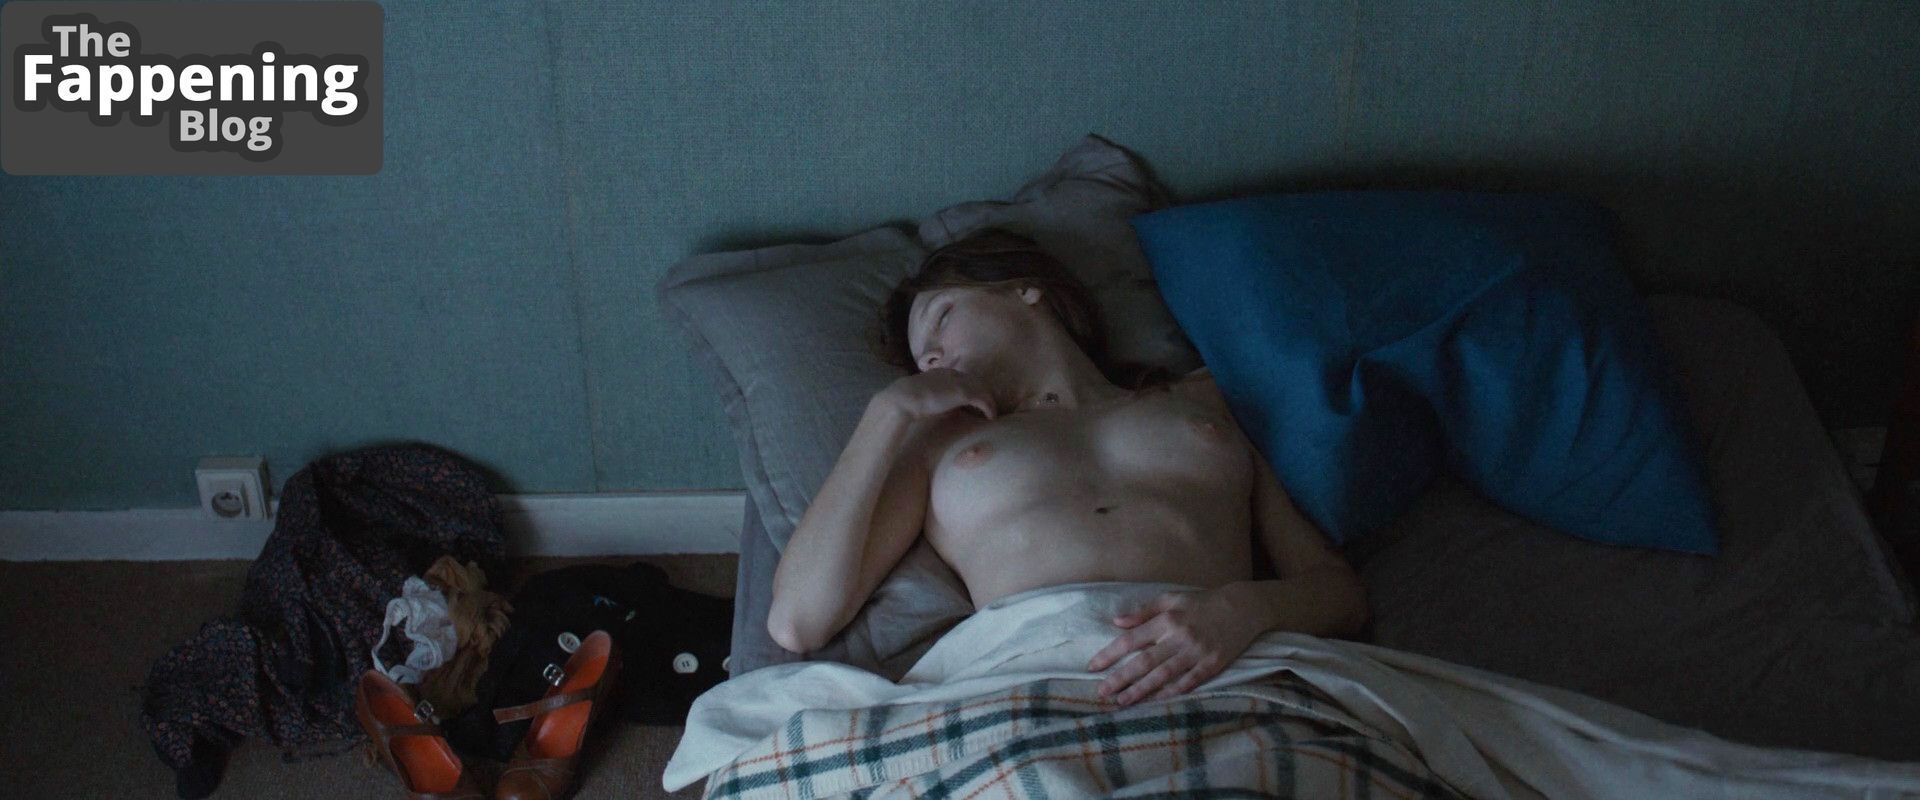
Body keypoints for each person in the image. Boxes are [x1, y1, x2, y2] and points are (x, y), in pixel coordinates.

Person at [767, 228, 1369, 706]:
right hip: (1030, 681)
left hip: (1212, 668)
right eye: (922, 357)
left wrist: (1242, 610)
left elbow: (1339, 594)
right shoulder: (941, 445)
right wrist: (886, 414)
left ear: (1024, 289)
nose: (932, 356)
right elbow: (798, 621)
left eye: (943, 317)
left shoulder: (1204, 400)